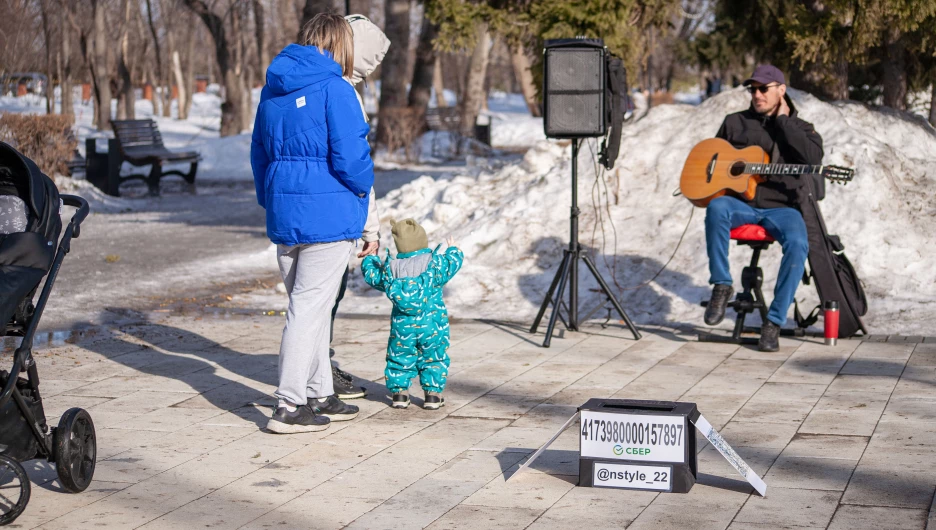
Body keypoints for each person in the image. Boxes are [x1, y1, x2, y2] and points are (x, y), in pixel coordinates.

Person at [251, 13, 373, 434]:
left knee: (311, 308)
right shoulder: (336, 88)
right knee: (307, 309)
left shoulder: (272, 88)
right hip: (329, 216)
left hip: (286, 215)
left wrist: (271, 200)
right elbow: (352, 156)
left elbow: (259, 153)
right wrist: (363, 189)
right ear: (340, 43)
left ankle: (320, 392)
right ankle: (288, 404)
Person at [703, 64, 823, 352]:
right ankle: (721, 285)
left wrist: (784, 124)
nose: (757, 94)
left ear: (781, 90)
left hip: (783, 208)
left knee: (797, 243)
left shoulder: (801, 128)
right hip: (742, 203)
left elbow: (813, 157)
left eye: (763, 89)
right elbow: (714, 160)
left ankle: (774, 321)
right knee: (717, 208)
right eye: (753, 89)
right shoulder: (735, 122)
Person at [328, 14, 391, 401]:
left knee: (317, 299)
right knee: (324, 297)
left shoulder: (316, 82)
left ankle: (317, 368)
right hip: (334, 214)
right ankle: (315, 375)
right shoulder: (341, 91)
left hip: (306, 211)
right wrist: (371, 228)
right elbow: (356, 168)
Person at [361, 219, 464, 410]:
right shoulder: (435, 264)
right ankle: (432, 395)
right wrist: (454, 250)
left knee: (399, 356)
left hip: (402, 327)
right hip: (433, 325)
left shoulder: (391, 270)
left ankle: (399, 394)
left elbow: (372, 276)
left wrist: (371, 258)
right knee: (434, 357)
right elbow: (452, 263)